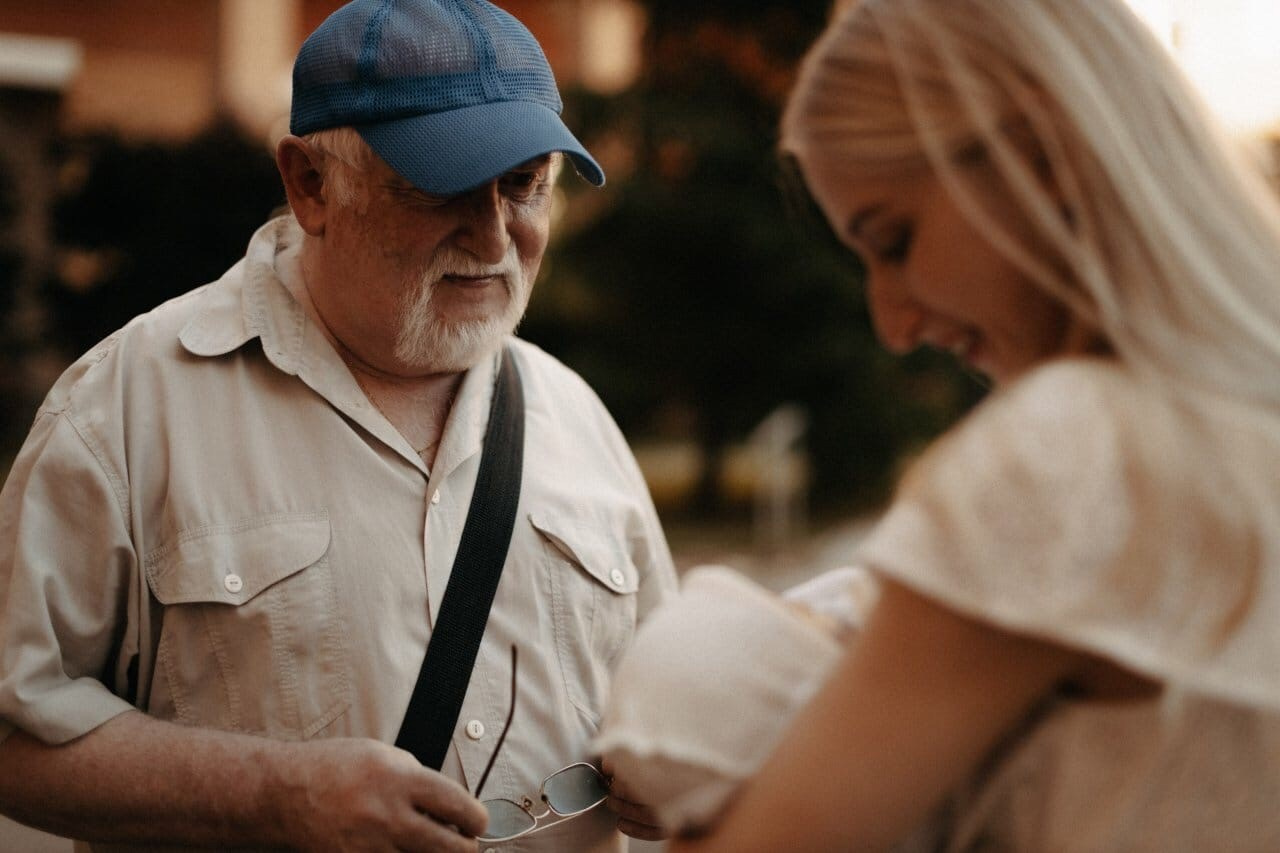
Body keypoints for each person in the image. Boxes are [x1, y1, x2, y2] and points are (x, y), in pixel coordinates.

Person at [596, 0, 1280, 849]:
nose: (894, 323)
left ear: (1043, 151)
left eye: (896, 240)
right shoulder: (1243, 417)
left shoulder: (1073, 452)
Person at [0, 1, 675, 850]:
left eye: (523, 183)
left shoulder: (577, 419)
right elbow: (15, 734)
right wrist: (271, 794)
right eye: (443, 187)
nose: (496, 235)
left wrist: (675, 766)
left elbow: (672, 711)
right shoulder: (127, 408)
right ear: (309, 185)